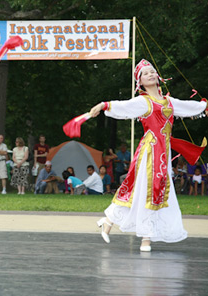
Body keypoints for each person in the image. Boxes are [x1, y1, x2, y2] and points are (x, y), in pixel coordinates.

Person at [89, 59, 208, 252]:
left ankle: (110, 220)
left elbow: (188, 107)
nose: (151, 74)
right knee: (148, 189)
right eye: (146, 73)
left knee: (150, 190)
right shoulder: (143, 102)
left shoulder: (169, 101)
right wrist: (103, 105)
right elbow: (123, 106)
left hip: (163, 151)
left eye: (153, 71)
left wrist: (204, 106)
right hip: (151, 152)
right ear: (140, 82)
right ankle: (145, 237)